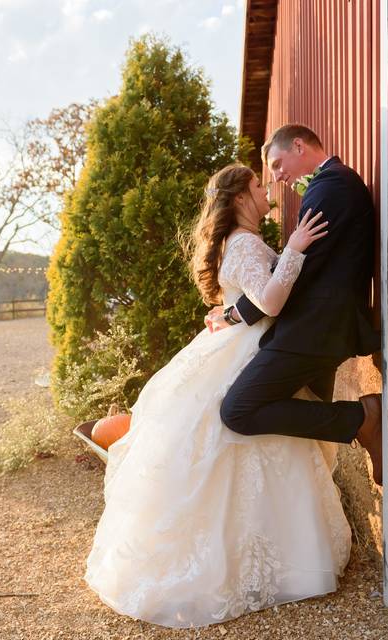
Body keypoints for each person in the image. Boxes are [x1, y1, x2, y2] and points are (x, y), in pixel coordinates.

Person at [85, 163, 352, 628]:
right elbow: (271, 301)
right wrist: (293, 248)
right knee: (243, 434)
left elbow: (249, 300)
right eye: (257, 185)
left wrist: (231, 314)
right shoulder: (246, 242)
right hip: (246, 352)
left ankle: (268, 559)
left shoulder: (241, 243)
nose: (266, 188)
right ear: (241, 199)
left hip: (243, 341)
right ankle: (271, 562)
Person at [206, 124, 383, 486]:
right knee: (305, 420)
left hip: (314, 329)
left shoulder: (330, 186)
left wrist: (238, 313)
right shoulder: (329, 185)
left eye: (275, 164)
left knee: (237, 410)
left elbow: (304, 267)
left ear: (299, 146)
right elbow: (297, 265)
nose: (275, 177)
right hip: (315, 327)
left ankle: (364, 417)